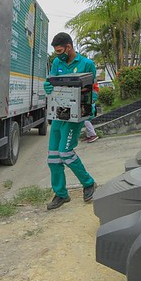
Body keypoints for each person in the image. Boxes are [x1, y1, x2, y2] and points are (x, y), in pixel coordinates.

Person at [43, 32, 98, 210]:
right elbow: (50, 80)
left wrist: (91, 103)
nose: (58, 54)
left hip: (75, 115)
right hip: (59, 112)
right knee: (53, 157)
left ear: (69, 46)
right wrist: (48, 85)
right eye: (56, 52)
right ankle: (61, 194)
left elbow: (94, 88)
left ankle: (88, 183)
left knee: (65, 152)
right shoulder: (57, 62)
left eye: (60, 51)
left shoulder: (87, 64)